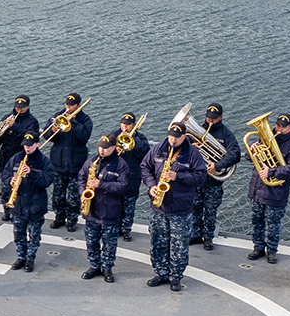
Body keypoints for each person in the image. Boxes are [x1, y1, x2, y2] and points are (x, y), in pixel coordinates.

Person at [141, 122, 205, 291]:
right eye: (170, 136)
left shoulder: (192, 153)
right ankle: (160, 273)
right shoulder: (158, 149)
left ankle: (176, 277)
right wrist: (151, 185)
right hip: (159, 207)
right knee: (157, 242)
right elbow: (145, 167)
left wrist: (178, 176)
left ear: (184, 137)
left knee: (179, 245)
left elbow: (200, 177)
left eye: (176, 137)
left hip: (180, 208)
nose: (173, 140)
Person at [247, 113, 290, 263]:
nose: (278, 128)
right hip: (258, 188)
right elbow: (248, 157)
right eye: (277, 125)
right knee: (257, 221)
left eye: (282, 127)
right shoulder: (264, 137)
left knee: (273, 225)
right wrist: (253, 149)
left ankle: (271, 251)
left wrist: (271, 172)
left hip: (276, 192)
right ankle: (258, 247)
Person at [189, 104, 242, 250]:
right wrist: (191, 147)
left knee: (210, 211)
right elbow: (182, 148)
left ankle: (208, 237)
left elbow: (235, 154)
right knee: (195, 208)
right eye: (208, 117)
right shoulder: (197, 130)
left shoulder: (226, 134)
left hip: (213, 181)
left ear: (221, 117)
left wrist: (217, 166)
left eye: (214, 118)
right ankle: (195, 234)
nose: (210, 120)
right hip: (197, 178)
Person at [79, 135, 131, 282]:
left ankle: (107, 268)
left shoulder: (121, 165)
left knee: (109, 241)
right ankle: (94, 265)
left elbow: (122, 186)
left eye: (105, 147)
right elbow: (81, 178)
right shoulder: (91, 161)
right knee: (91, 240)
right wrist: (83, 192)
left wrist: (100, 185)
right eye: (100, 146)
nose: (101, 150)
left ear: (113, 148)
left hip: (109, 209)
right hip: (92, 209)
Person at [3, 133, 55, 272]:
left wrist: (32, 173)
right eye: (25, 145)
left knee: (34, 235)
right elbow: (5, 174)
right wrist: (10, 181)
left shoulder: (43, 161)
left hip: (35, 204)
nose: (27, 148)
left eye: (30, 145)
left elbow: (48, 180)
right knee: (18, 233)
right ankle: (21, 257)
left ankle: (30, 258)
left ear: (37, 144)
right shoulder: (16, 158)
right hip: (18, 203)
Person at [46, 94, 93, 231]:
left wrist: (73, 123)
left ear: (78, 105)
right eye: (67, 104)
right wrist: (53, 130)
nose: (68, 107)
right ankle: (59, 217)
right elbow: (47, 137)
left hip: (75, 164)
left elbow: (84, 137)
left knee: (73, 196)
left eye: (71, 105)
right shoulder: (58, 116)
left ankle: (72, 220)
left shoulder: (85, 120)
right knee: (57, 195)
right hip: (58, 163)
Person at [0, 95, 41, 190]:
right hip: (5, 155)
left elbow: (29, 138)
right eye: (17, 107)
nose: (19, 109)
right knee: (5, 182)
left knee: (21, 184)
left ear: (28, 106)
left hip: (21, 156)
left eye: (22, 107)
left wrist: (14, 126)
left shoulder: (32, 121)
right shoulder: (7, 117)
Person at [114, 113, 150, 241]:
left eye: (128, 125)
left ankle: (126, 229)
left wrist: (133, 142)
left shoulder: (140, 138)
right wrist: (115, 148)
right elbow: (103, 153)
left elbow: (145, 154)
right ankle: (115, 228)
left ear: (134, 125)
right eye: (123, 124)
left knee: (129, 207)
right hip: (116, 177)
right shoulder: (114, 136)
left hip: (132, 176)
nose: (125, 127)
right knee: (115, 204)